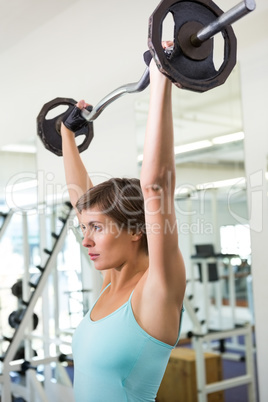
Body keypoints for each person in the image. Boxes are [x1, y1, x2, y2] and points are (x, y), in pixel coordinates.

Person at [60, 42, 186, 402]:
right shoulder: (109, 282)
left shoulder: (156, 290)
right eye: (85, 229)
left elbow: (156, 182)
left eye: (97, 230)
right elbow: (81, 201)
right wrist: (68, 136)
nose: (85, 240)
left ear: (135, 229)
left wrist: (162, 78)